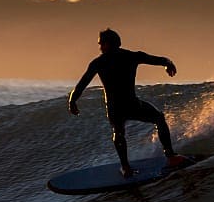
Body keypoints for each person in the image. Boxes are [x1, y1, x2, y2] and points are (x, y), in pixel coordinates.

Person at [68, 28, 184, 177]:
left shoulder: (100, 62)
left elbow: (82, 84)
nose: (100, 47)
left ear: (111, 44)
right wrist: (169, 63)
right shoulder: (130, 56)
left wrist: (72, 100)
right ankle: (170, 156)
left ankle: (126, 167)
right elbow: (160, 60)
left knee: (120, 131)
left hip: (115, 107)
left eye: (102, 44)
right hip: (130, 104)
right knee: (157, 118)